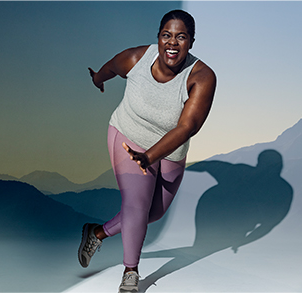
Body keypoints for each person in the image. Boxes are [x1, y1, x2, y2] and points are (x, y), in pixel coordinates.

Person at [78, 9, 216, 292]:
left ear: (191, 41)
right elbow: (110, 68)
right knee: (136, 207)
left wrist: (150, 156)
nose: (172, 43)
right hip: (129, 138)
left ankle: (97, 232)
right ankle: (131, 273)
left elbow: (188, 126)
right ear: (158, 38)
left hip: (169, 149)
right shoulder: (135, 59)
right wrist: (98, 79)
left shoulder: (202, 76)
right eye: (167, 35)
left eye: (181, 37)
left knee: (153, 213)